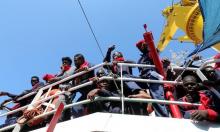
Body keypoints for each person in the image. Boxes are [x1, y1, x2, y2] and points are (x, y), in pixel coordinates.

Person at [135, 39, 169, 117]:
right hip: (144, 77)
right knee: (131, 82)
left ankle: (163, 117)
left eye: (144, 45)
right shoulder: (142, 58)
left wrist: (164, 63)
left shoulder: (151, 53)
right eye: (141, 47)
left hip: (152, 76)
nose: (142, 47)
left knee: (157, 97)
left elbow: (156, 57)